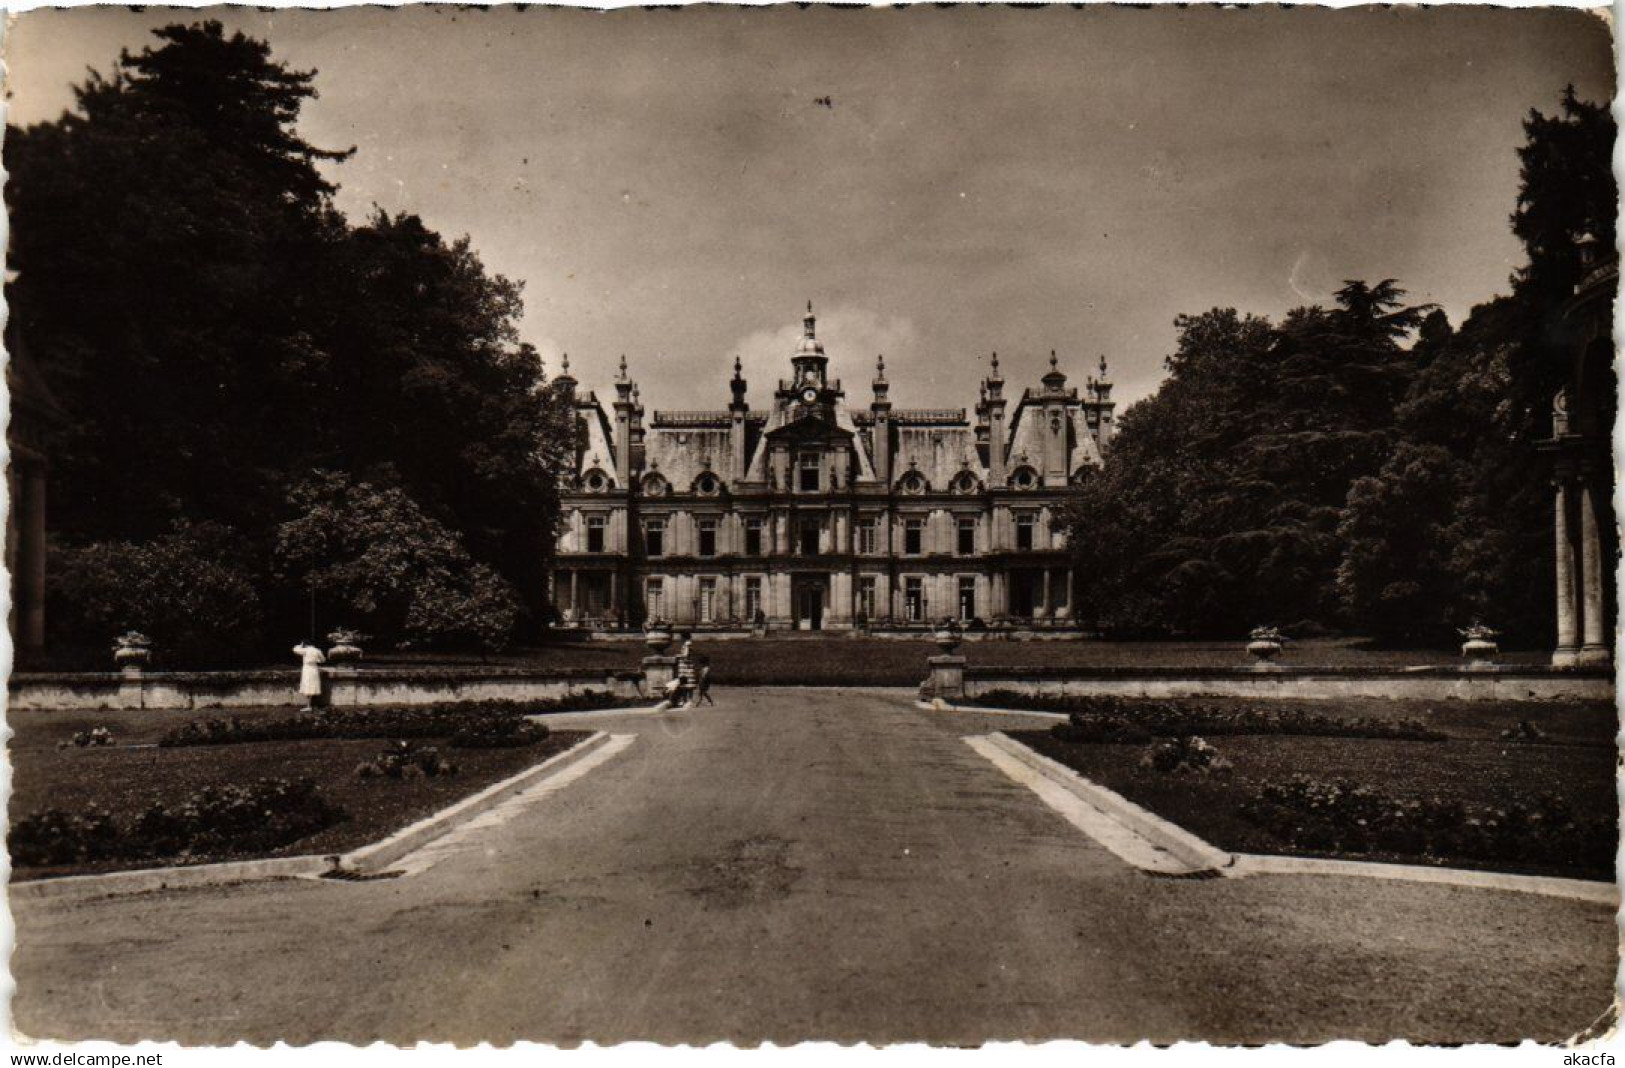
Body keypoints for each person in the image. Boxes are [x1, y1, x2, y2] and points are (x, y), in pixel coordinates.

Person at [293, 641, 326, 712]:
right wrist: (316, 660)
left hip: (307, 669)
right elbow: (323, 660)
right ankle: (310, 704)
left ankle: (309, 706)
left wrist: (300, 645)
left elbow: (295, 649)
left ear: (306, 645)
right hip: (314, 668)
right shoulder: (317, 650)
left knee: (308, 685)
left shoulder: (305, 650)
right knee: (312, 685)